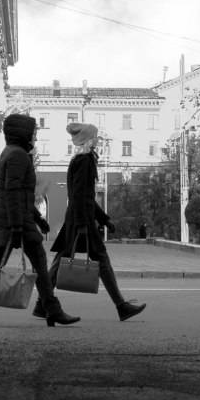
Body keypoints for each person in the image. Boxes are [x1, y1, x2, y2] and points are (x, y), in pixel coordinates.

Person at [0, 111, 79, 327]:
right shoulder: (18, 155)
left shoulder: (11, 152)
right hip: (15, 222)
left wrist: (38, 218)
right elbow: (13, 192)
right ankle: (51, 309)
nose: (35, 136)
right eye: (33, 132)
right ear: (22, 133)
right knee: (35, 261)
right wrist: (18, 227)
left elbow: (21, 194)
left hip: (13, 219)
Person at [36, 122, 146, 322]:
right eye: (95, 136)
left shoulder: (79, 159)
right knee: (101, 260)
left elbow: (84, 196)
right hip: (82, 219)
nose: (98, 139)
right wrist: (84, 223)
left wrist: (103, 218)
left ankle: (42, 304)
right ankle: (121, 306)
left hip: (77, 217)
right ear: (88, 139)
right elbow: (81, 195)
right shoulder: (85, 160)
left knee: (62, 259)